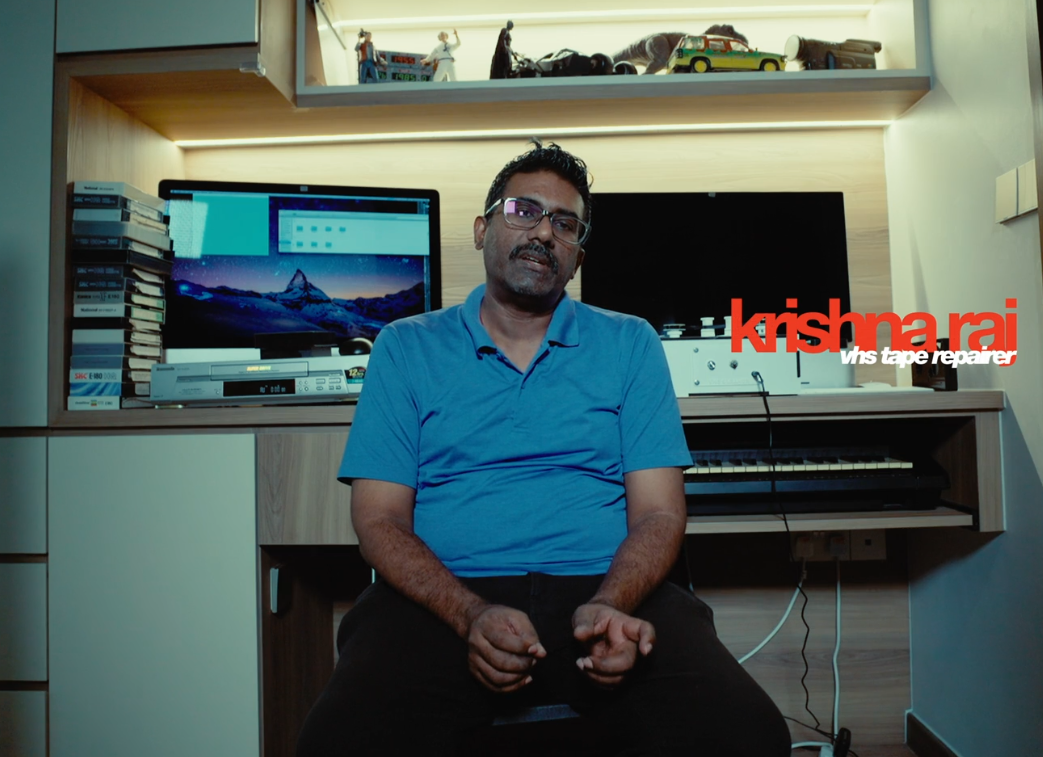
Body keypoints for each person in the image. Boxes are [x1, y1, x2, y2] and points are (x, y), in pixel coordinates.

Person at [296, 141, 792, 757]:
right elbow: (379, 520)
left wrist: (609, 605)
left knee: (752, 736)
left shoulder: (630, 343)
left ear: (578, 256)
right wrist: (469, 614)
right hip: (446, 599)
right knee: (336, 744)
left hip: (603, 591)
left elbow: (661, 513)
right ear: (482, 230)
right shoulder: (404, 347)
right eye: (523, 210)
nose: (542, 232)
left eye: (565, 224)